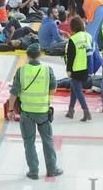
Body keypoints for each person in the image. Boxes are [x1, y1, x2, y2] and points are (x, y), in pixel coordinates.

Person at [7, 43, 62, 180]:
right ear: (40, 55)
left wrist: (10, 109)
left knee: (29, 142)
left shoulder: (21, 71)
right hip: (43, 112)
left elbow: (14, 93)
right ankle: (52, 169)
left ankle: (33, 171)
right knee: (48, 141)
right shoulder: (47, 70)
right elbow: (53, 89)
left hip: (26, 113)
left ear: (27, 55)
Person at [64, 17, 92, 121]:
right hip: (85, 68)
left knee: (78, 91)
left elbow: (71, 57)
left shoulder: (73, 39)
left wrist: (69, 70)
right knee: (73, 89)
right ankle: (70, 111)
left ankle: (86, 111)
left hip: (76, 69)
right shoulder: (87, 36)